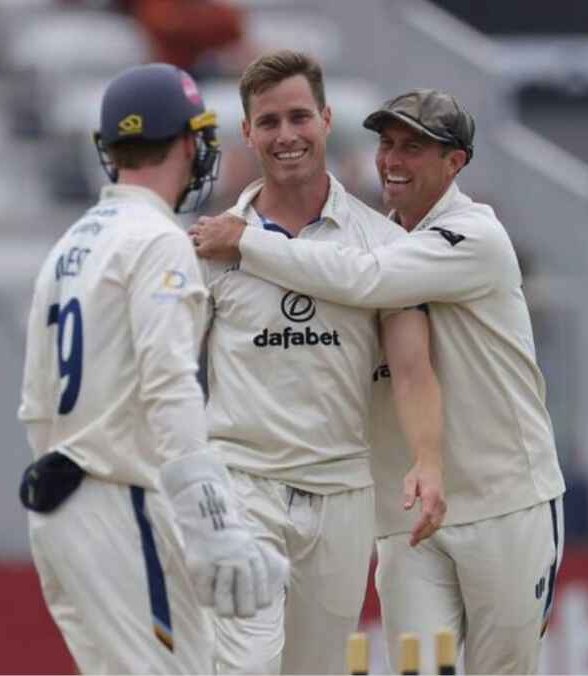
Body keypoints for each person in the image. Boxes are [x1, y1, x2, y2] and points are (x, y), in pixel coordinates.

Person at [194, 88, 567, 675]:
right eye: (386, 144)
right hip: (407, 515)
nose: (392, 160)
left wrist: (245, 240)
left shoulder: (474, 236)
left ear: (456, 162)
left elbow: (367, 279)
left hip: (506, 500)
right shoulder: (362, 235)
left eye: (413, 148)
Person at [16, 63, 286, 674]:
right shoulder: (158, 240)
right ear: (191, 143)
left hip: (59, 507)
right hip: (118, 503)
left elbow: (34, 402)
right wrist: (214, 522)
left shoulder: (70, 245)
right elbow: (170, 387)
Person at [191, 51, 445, 675]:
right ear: (246, 133)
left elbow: (412, 371)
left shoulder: (384, 245)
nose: (286, 136)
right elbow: (171, 374)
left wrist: (429, 462)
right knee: (246, 667)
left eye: (299, 117)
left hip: (341, 493)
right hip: (241, 484)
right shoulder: (210, 247)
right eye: (269, 122)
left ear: (328, 120)